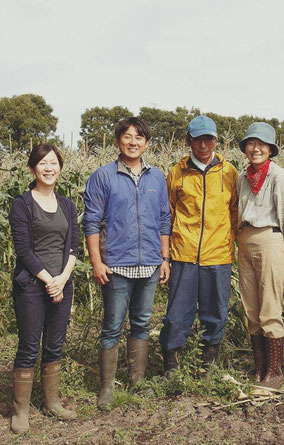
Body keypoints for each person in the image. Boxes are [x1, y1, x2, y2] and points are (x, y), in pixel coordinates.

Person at [83, 117, 171, 409]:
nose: (133, 142)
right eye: (127, 136)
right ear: (118, 140)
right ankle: (107, 387)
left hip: (149, 264)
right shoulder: (103, 176)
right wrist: (97, 262)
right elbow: (92, 223)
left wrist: (164, 257)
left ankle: (137, 382)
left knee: (142, 323)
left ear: (146, 143)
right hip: (116, 266)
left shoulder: (157, 177)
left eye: (139, 137)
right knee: (112, 326)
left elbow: (163, 219)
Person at [159, 115, 238, 372]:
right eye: (197, 140)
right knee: (176, 314)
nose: (203, 146)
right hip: (184, 253)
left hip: (218, 254)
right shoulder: (176, 173)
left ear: (216, 140)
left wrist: (230, 244)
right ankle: (172, 362)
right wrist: (166, 255)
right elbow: (167, 215)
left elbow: (236, 212)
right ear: (188, 142)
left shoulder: (229, 173)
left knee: (216, 312)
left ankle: (209, 361)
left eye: (208, 139)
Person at [8, 144, 78, 434]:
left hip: (63, 283)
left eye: (54, 163)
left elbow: (73, 245)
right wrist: (49, 280)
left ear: (60, 168)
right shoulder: (22, 204)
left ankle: (52, 403)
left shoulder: (68, 205)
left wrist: (62, 278)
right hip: (32, 286)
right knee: (28, 346)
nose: (49, 168)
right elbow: (23, 250)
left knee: (54, 344)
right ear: (33, 168)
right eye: (42, 163)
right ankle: (20, 411)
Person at [237, 122, 284, 388]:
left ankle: (275, 373)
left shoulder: (278, 176)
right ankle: (260, 368)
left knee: (270, 307)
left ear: (270, 149)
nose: (256, 149)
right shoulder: (243, 177)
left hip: (270, 239)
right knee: (251, 307)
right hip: (246, 239)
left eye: (262, 144)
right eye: (252, 143)